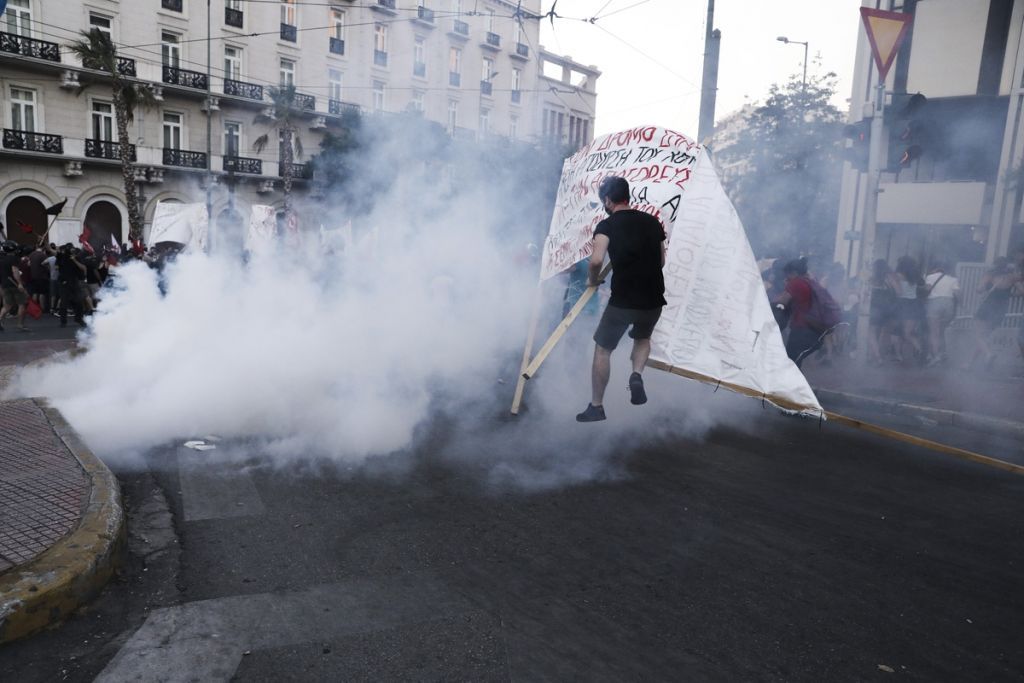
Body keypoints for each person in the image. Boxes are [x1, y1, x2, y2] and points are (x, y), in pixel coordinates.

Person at [576, 176, 667, 423]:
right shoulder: (652, 222)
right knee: (643, 338)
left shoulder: (607, 226)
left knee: (603, 349)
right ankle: (636, 374)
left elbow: (596, 261)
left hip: (624, 300)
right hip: (654, 299)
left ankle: (597, 406)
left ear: (607, 200)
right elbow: (661, 261)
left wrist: (593, 280)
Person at [967, 256, 1017, 369]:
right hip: (1001, 309)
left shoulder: (990, 274)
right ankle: (970, 363)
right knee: (983, 338)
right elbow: (1022, 292)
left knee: (977, 335)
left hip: (987, 307)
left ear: (995, 264)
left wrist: (980, 288)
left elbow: (979, 289)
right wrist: (1008, 294)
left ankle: (988, 354)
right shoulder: (1011, 277)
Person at [772, 257, 822, 368]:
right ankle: (793, 384)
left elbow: (781, 301)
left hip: (802, 329)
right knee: (795, 362)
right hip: (815, 331)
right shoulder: (809, 281)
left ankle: (791, 385)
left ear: (794, 273)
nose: (786, 278)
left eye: (787, 275)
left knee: (791, 362)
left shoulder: (796, 283)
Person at [922, 260, 959, 366]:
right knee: (941, 330)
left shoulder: (930, 277)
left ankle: (935, 355)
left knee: (934, 332)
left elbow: (927, 289)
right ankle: (943, 353)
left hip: (935, 303)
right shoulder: (953, 279)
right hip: (949, 304)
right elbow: (957, 294)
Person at [894, 256, 925, 364]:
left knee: (898, 332)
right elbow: (922, 287)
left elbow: (896, 291)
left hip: (901, 304)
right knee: (908, 332)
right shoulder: (916, 276)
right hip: (914, 304)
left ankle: (900, 355)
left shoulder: (897, 276)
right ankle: (919, 350)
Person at [0, 240, 30, 331]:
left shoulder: (2, 259)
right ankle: (20, 325)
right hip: (14, 284)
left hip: (5, 284)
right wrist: (20, 283)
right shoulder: (14, 259)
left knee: (7, 305)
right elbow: (15, 271)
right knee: (22, 304)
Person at [56, 244, 86, 327]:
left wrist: (75, 260)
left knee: (79, 301)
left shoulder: (77, 258)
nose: (72, 251)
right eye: (70, 249)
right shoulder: (61, 257)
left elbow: (83, 268)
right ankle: (63, 322)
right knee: (64, 303)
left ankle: (79, 319)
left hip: (74, 281)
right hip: (64, 282)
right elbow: (52, 251)